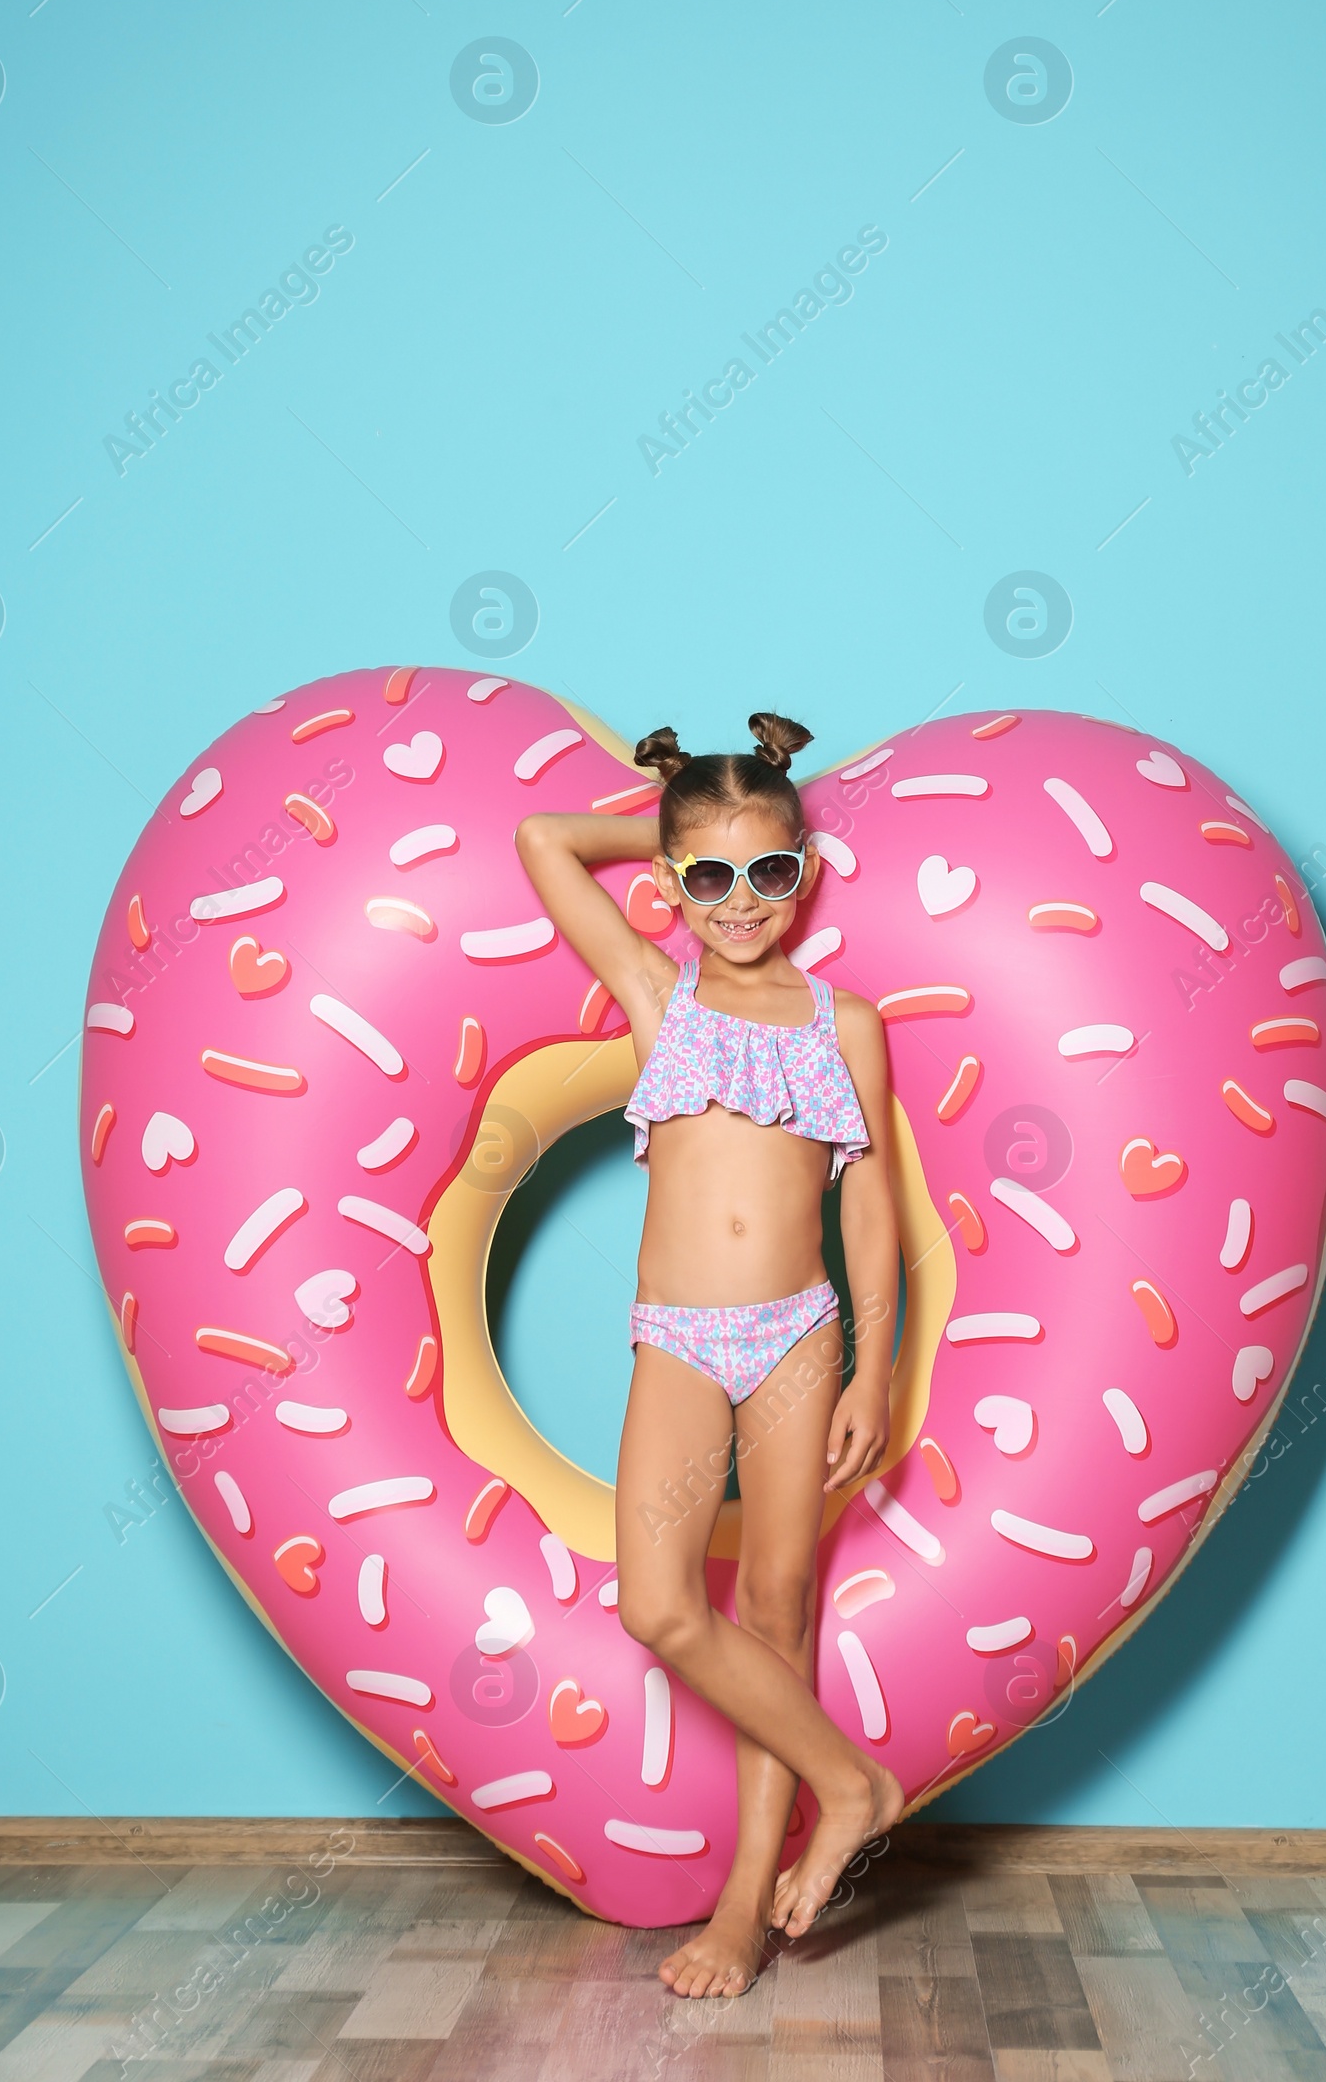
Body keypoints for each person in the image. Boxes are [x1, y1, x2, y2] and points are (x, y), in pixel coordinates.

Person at [514, 711, 905, 1997]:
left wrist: (875, 1367)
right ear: (674, 885)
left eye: (771, 871)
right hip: (678, 1339)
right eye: (709, 878)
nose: (742, 902)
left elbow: (869, 1210)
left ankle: (744, 1911)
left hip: (799, 1336)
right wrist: (678, 813)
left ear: (808, 869)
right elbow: (542, 838)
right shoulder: (653, 990)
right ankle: (853, 1783)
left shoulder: (846, 1024)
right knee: (661, 1604)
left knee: (778, 1610)